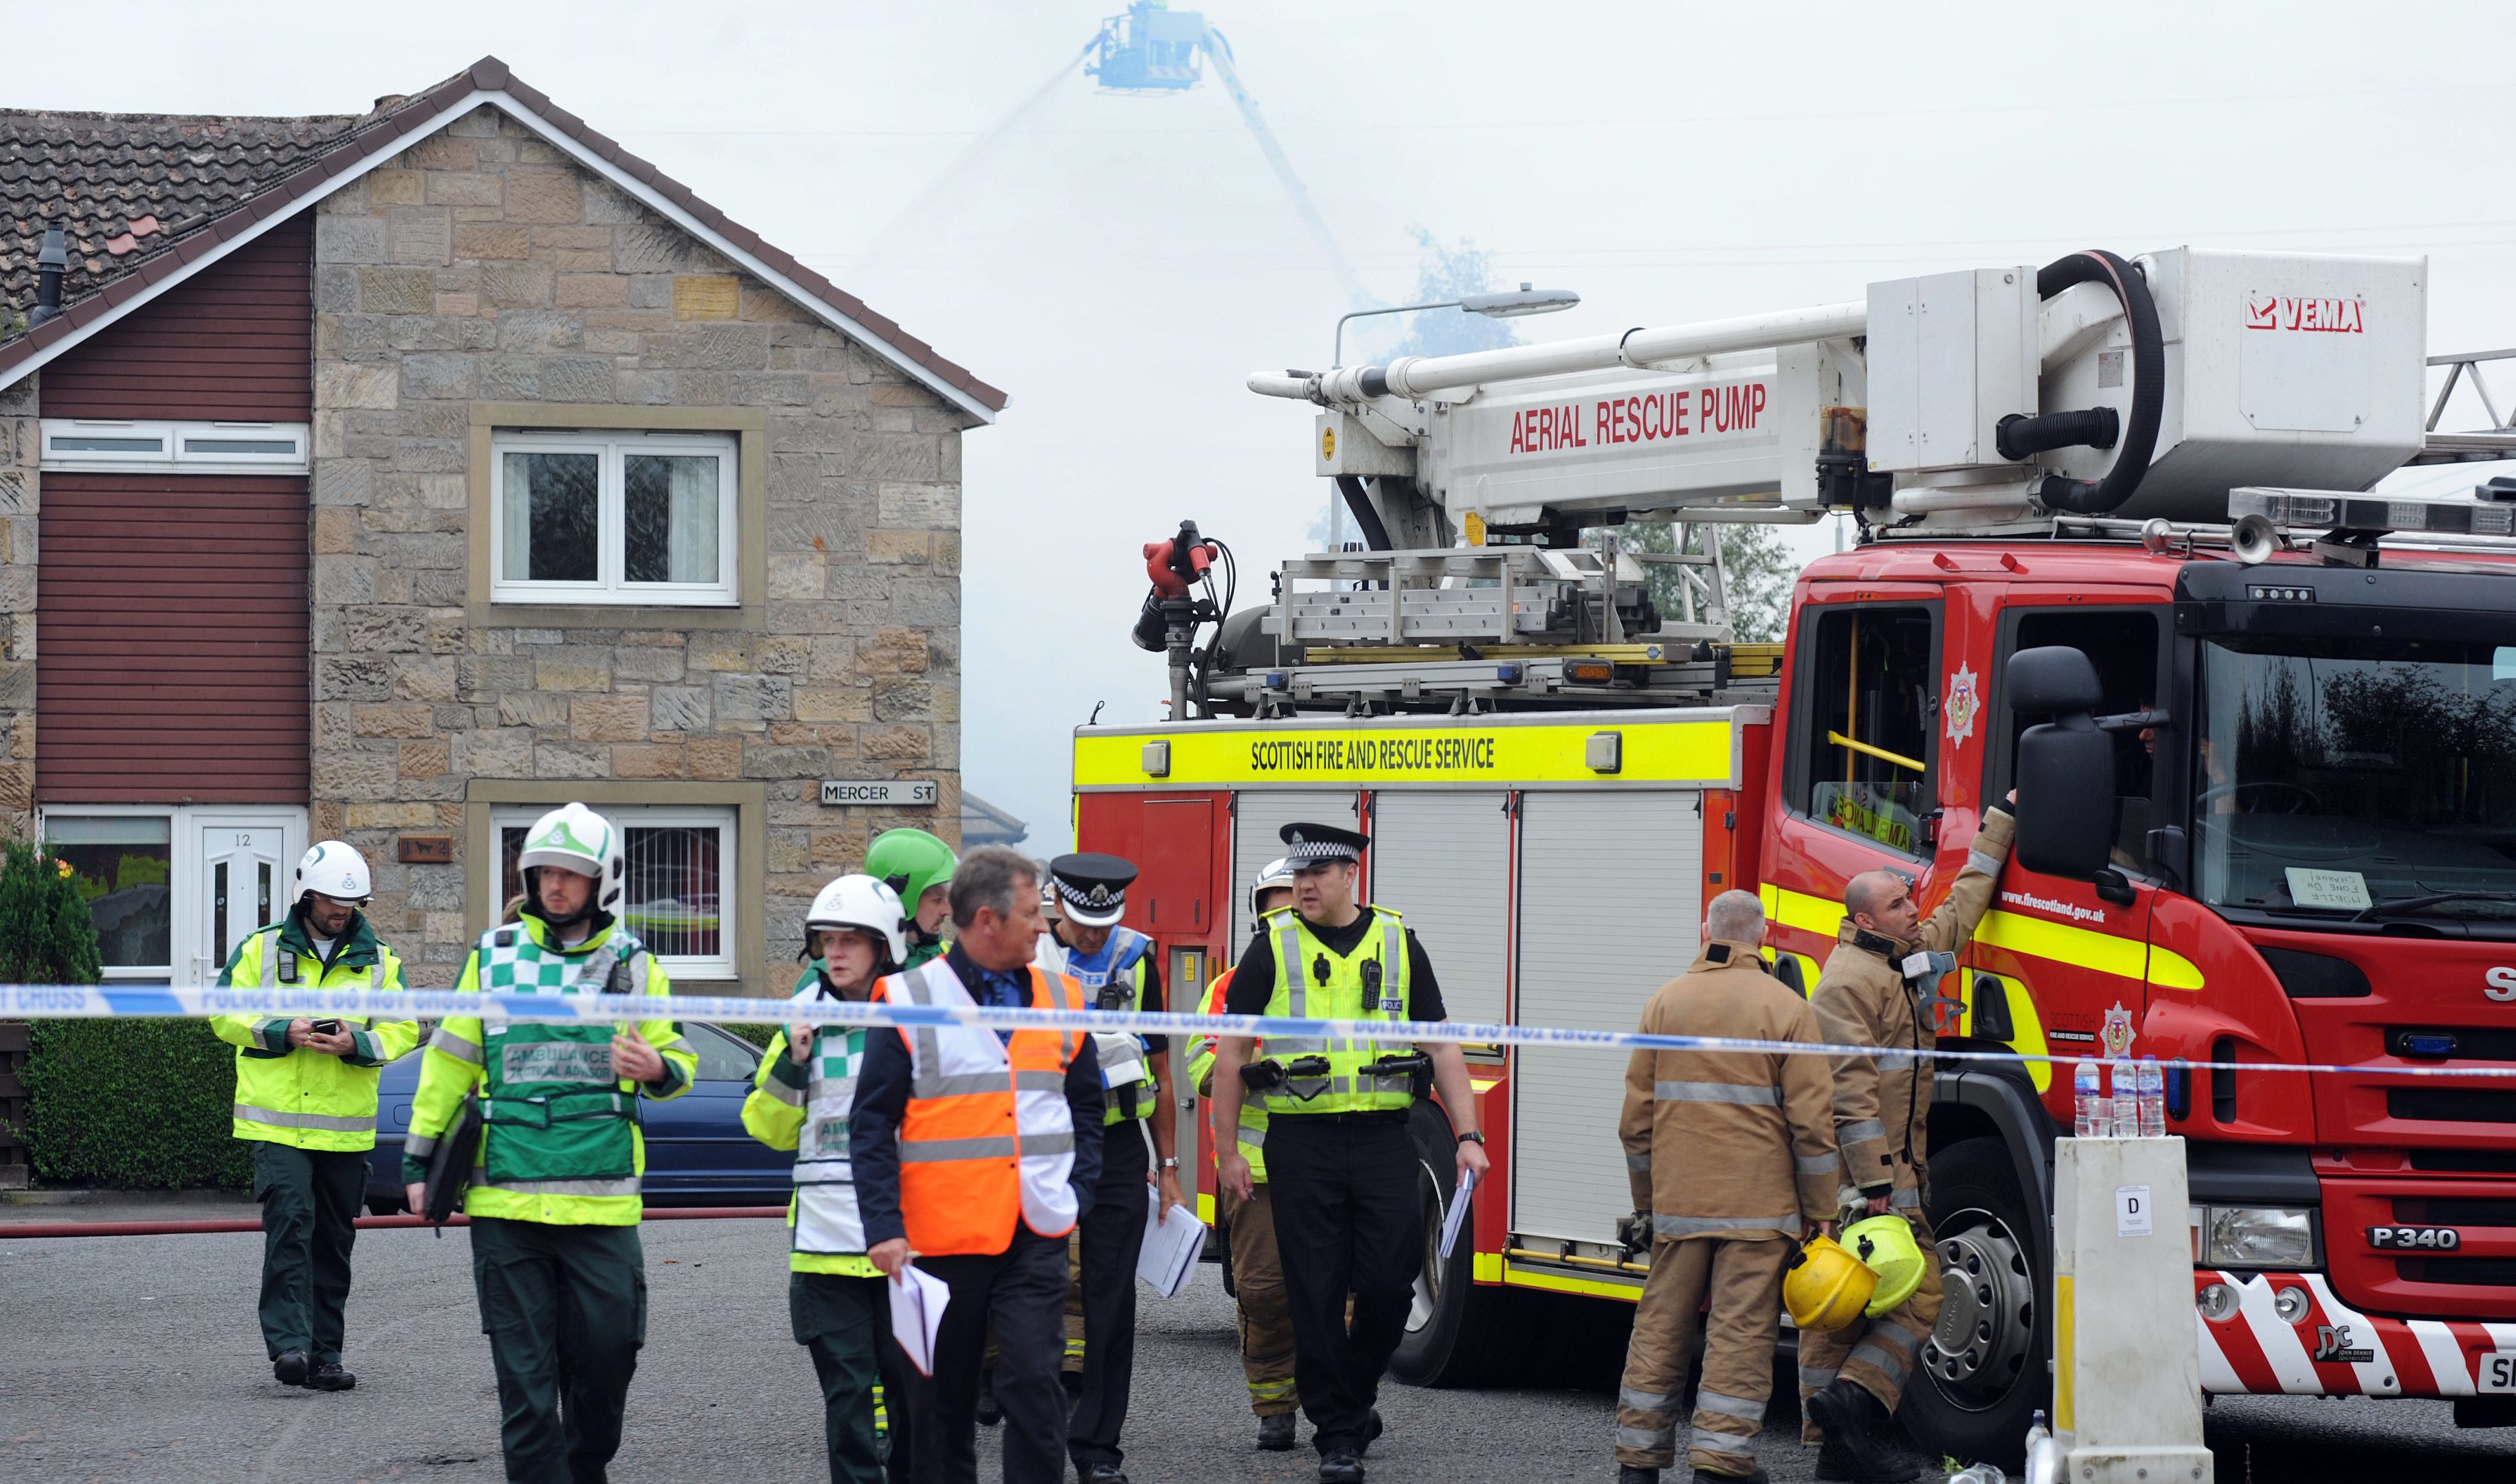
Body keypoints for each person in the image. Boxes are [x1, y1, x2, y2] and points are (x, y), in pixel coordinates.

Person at [400, 802, 698, 1484]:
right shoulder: (493, 957)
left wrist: (659, 1070)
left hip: (601, 1208)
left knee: (607, 1364)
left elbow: (676, 1056)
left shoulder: (634, 963)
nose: (556, 887)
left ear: (605, 882)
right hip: (507, 1206)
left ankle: (583, 1469)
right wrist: (417, 1159)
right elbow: (448, 1063)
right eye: (544, 874)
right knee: (526, 1388)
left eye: (572, 874)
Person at [1210, 822, 1491, 1484]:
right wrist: (1226, 1154)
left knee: (1392, 1283)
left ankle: (1354, 1396)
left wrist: (1468, 1137)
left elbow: (1442, 1045)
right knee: (1313, 1291)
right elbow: (1229, 1056)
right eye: (1296, 875)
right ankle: (1337, 1434)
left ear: (1349, 877)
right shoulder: (1270, 947)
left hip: (1381, 1139)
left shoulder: (1397, 942)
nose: (1303, 885)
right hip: (1300, 1144)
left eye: (1317, 874)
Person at [850, 845, 1106, 1484]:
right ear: (986, 920)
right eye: (1031, 913)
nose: (1044, 927)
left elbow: (1087, 1105)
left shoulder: (1062, 994)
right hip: (939, 1241)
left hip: (1037, 1229)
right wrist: (882, 1226)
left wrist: (1080, 1191)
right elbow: (872, 1122)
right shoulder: (907, 998)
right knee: (940, 1405)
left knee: (1033, 1386)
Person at [1798, 794, 2016, 1483]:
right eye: (1897, 904)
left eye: (1907, 899)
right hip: (1867, 1180)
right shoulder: (1845, 983)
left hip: (1896, 1171)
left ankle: (1843, 1440)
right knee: (1881, 1304)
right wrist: (1875, 1190)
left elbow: (1964, 902)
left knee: (1869, 1305)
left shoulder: (1906, 956)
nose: (1911, 910)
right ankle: (1847, 1418)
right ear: (1864, 918)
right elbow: (1851, 1098)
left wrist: (2001, 822)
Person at [1611, 889, 1840, 1484]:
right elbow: (1811, 1126)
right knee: (1739, 1334)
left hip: (1679, 1206)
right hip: (1760, 1211)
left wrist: (1648, 1205)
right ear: (1762, 937)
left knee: (1660, 1326)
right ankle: (1719, 1464)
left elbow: (1634, 1124)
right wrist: (1821, 1212)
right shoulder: (1787, 1008)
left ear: (1704, 931)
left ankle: (1638, 1461)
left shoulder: (1664, 1004)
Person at [209, 841, 414, 1393]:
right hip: (275, 1125)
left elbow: (404, 1029)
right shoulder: (260, 949)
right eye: (330, 900)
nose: (340, 911)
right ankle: (290, 1347)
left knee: (332, 1241)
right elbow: (223, 1014)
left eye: (350, 901)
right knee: (291, 1227)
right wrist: (282, 1031)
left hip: (344, 1128)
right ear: (305, 894)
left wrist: (357, 1042)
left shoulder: (381, 960)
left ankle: (326, 1355)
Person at [745, 875, 918, 1484]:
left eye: (851, 940)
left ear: (884, 947)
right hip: (824, 1253)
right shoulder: (800, 1022)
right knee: (848, 1406)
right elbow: (766, 1129)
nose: (835, 952)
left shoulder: (916, 1020)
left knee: (911, 1406)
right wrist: (793, 1064)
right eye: (826, 941)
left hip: (906, 1246)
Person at [1029, 853, 1183, 1484]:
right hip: (1043, 1146)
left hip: (1118, 1148)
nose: (1094, 935)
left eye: (1104, 922)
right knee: (1033, 1289)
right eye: (1082, 922)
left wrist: (1168, 1165)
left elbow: (1161, 1069)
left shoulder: (1136, 957)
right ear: (1058, 906)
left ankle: (1097, 1447)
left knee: (1111, 1301)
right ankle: (1028, 1410)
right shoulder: (1029, 956)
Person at [1185, 857, 1302, 1450]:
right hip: (1256, 1171)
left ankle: (1344, 1400)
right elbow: (1203, 1062)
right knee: (1262, 1290)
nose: (1284, 913)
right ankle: (1275, 1405)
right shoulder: (1231, 984)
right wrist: (1246, 1073)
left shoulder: (1343, 975)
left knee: (1352, 1292)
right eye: (1273, 903)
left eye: (1294, 901)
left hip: (1334, 1163)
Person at [867, 828, 959, 969]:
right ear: (904, 902)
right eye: (937, 899)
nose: (948, 911)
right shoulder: (858, 974)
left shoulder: (954, 961)